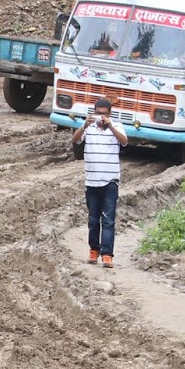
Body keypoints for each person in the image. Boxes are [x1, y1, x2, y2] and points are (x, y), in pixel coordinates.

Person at [73, 97, 127, 267]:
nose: (101, 117)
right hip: (92, 181)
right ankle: (93, 250)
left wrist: (110, 125)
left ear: (110, 114)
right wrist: (84, 125)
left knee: (109, 219)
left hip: (110, 181)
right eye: (98, 113)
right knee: (93, 219)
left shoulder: (117, 126)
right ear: (94, 112)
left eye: (104, 114)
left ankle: (107, 254)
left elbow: (124, 141)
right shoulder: (88, 128)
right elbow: (75, 140)